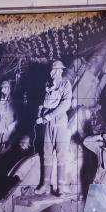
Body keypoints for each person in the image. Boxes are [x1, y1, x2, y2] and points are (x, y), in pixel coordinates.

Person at [34, 60, 73, 196]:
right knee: (46, 153)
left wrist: (47, 117)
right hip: (47, 124)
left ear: (59, 70)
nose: (52, 72)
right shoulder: (48, 84)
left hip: (59, 122)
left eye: (54, 69)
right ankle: (45, 185)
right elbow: (44, 103)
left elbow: (65, 104)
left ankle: (60, 187)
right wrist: (40, 112)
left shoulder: (65, 84)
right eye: (51, 69)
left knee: (61, 154)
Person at [0, 80, 17, 148]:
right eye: (2, 87)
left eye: (5, 87)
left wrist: (11, 127)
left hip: (8, 128)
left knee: (7, 146)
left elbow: (18, 118)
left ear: (9, 88)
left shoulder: (13, 101)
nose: (2, 89)